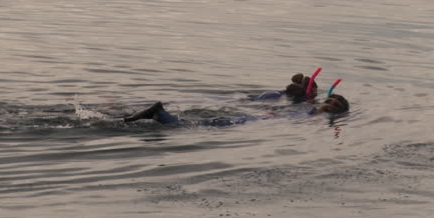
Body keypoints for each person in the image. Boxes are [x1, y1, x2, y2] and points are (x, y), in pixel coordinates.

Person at [123, 93, 349, 127]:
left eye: (336, 106)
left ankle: (157, 114)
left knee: (194, 125)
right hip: (248, 120)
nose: (331, 105)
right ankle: (159, 113)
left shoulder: (313, 115)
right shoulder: (311, 113)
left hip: (249, 120)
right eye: (330, 100)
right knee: (188, 127)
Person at [253, 72, 318, 103]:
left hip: (268, 94)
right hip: (274, 98)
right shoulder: (302, 96)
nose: (316, 91)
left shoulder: (290, 90)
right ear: (311, 88)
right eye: (315, 89)